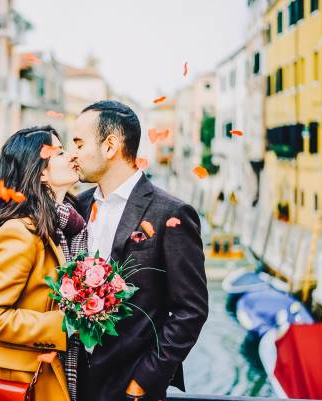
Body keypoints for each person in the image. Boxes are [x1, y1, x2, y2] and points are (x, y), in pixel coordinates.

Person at [72, 100, 209, 401]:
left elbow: (191, 310)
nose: (74, 154)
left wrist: (144, 381)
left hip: (132, 387)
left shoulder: (171, 213)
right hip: (72, 384)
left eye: (80, 144)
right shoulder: (77, 207)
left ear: (110, 146)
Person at [0, 126, 86, 401]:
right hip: (25, 383)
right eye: (59, 152)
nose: (72, 156)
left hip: (58, 372)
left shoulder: (70, 226)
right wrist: (63, 323)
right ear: (41, 171)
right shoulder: (20, 232)